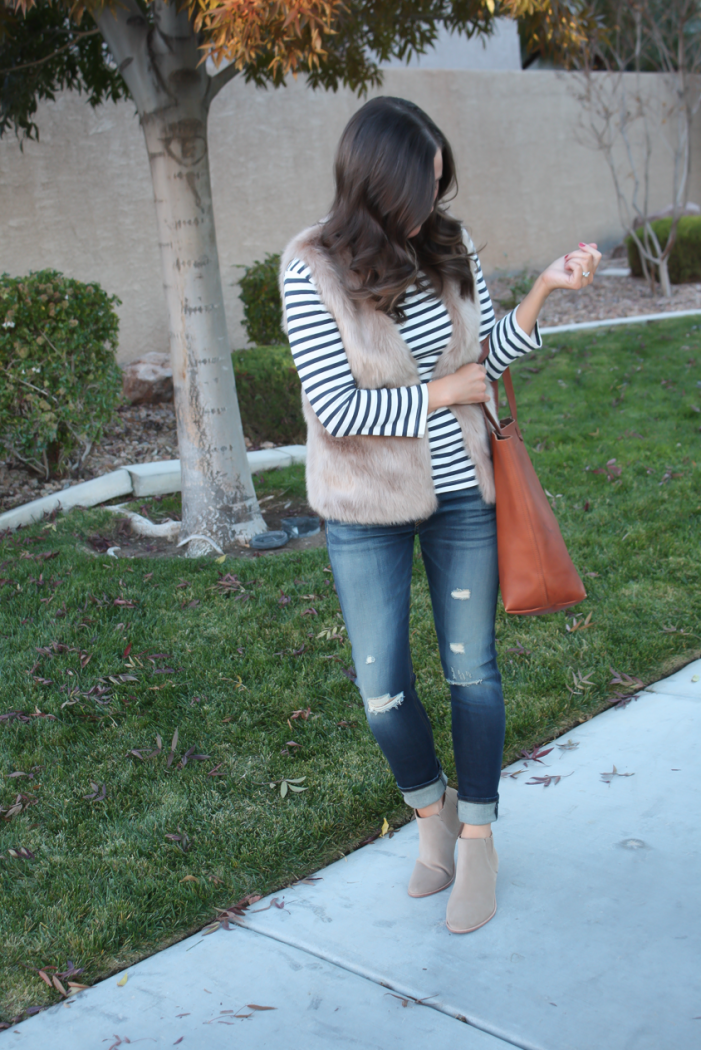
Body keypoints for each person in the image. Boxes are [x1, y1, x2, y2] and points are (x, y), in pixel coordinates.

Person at [280, 96, 600, 934]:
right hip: (364, 504)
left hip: (460, 491)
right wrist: (437, 395)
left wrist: (540, 292)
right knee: (382, 692)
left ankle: (480, 838)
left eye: (438, 178)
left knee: (472, 673)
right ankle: (433, 822)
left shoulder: (446, 245)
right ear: (378, 180)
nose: (434, 195)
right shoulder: (311, 263)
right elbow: (334, 407)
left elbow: (484, 357)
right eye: (422, 180)